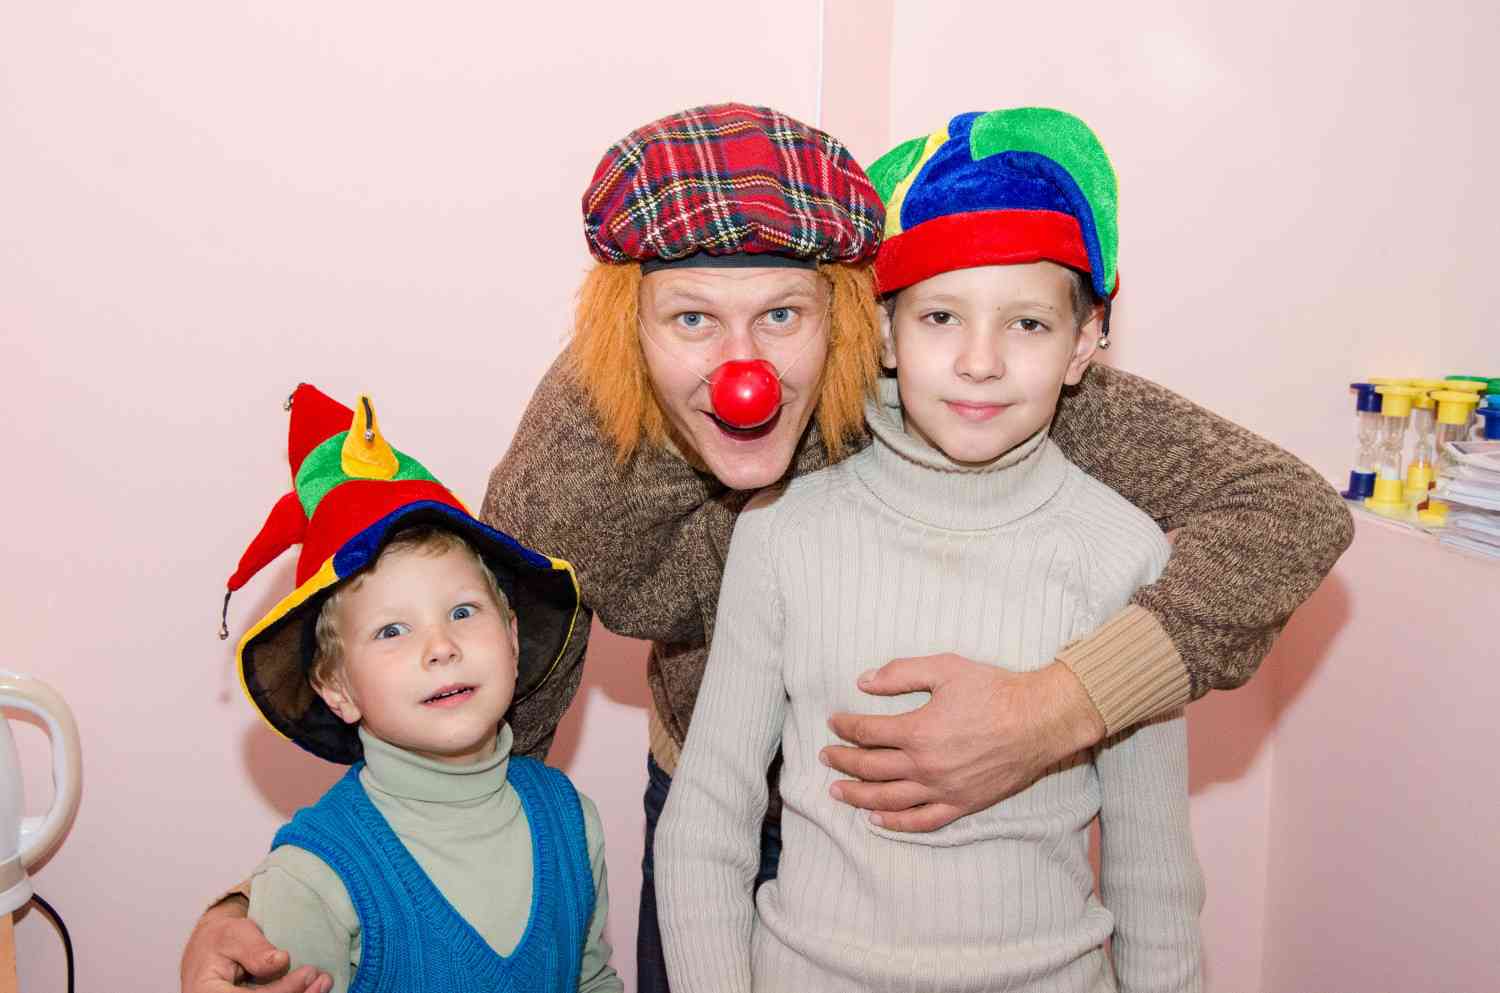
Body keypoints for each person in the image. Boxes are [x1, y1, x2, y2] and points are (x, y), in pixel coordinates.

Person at [181, 104, 1352, 993]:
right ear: (628, 330)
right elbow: (470, 715)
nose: (741, 373)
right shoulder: (575, 455)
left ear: (852, 319)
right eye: (692, 319)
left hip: (997, 868)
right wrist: (272, 908)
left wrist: (1060, 706)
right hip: (720, 819)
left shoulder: (961, 374)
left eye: (783, 315)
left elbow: (1288, 512)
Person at [657, 107, 1204, 992]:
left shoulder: (1124, 555)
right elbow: (708, 825)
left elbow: (1155, 879)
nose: (980, 361)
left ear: (1085, 342)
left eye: (1028, 324)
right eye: (942, 315)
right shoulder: (783, 530)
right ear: (882, 333)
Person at [223, 384, 619, 993]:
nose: (441, 646)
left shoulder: (572, 821)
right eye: (392, 630)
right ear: (336, 688)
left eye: (462, 612)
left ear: (512, 638)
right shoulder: (311, 883)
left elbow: (592, 980)